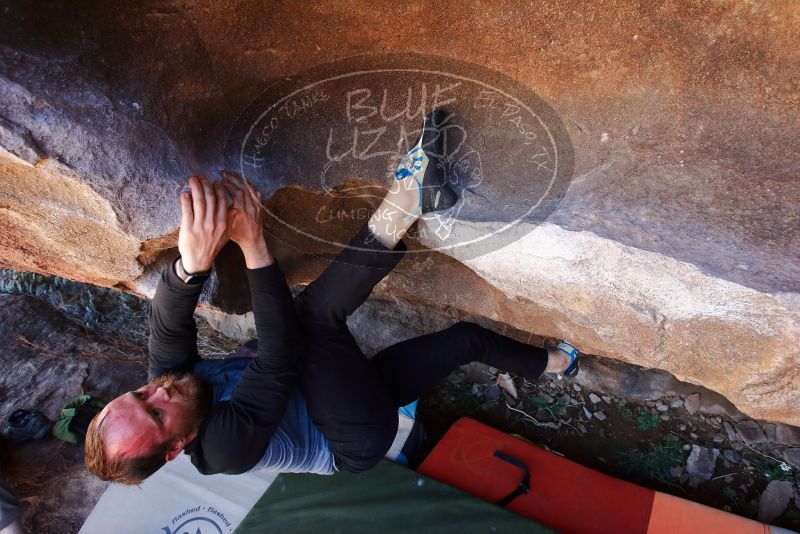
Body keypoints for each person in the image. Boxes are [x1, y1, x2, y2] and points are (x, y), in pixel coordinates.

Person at [84, 111, 580, 484]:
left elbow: (167, 326)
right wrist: (253, 242)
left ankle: (559, 364)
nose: (160, 392)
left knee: (465, 340)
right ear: (175, 449)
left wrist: (192, 264)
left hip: (329, 386)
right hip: (351, 435)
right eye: (156, 413)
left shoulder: (168, 387)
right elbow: (280, 357)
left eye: (140, 393)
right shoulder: (223, 451)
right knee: (312, 319)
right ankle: (409, 197)